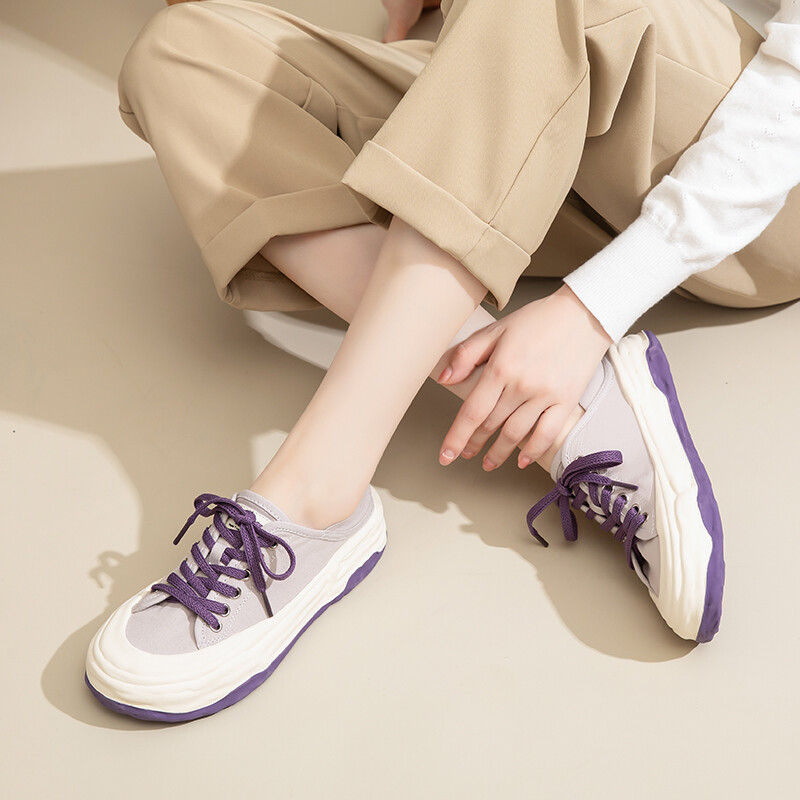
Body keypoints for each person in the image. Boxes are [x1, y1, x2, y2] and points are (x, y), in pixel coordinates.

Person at [84, 0, 800, 721]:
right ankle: (568, 415)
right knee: (183, 54)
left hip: (750, 170)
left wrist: (592, 308)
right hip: (548, 116)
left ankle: (314, 496)